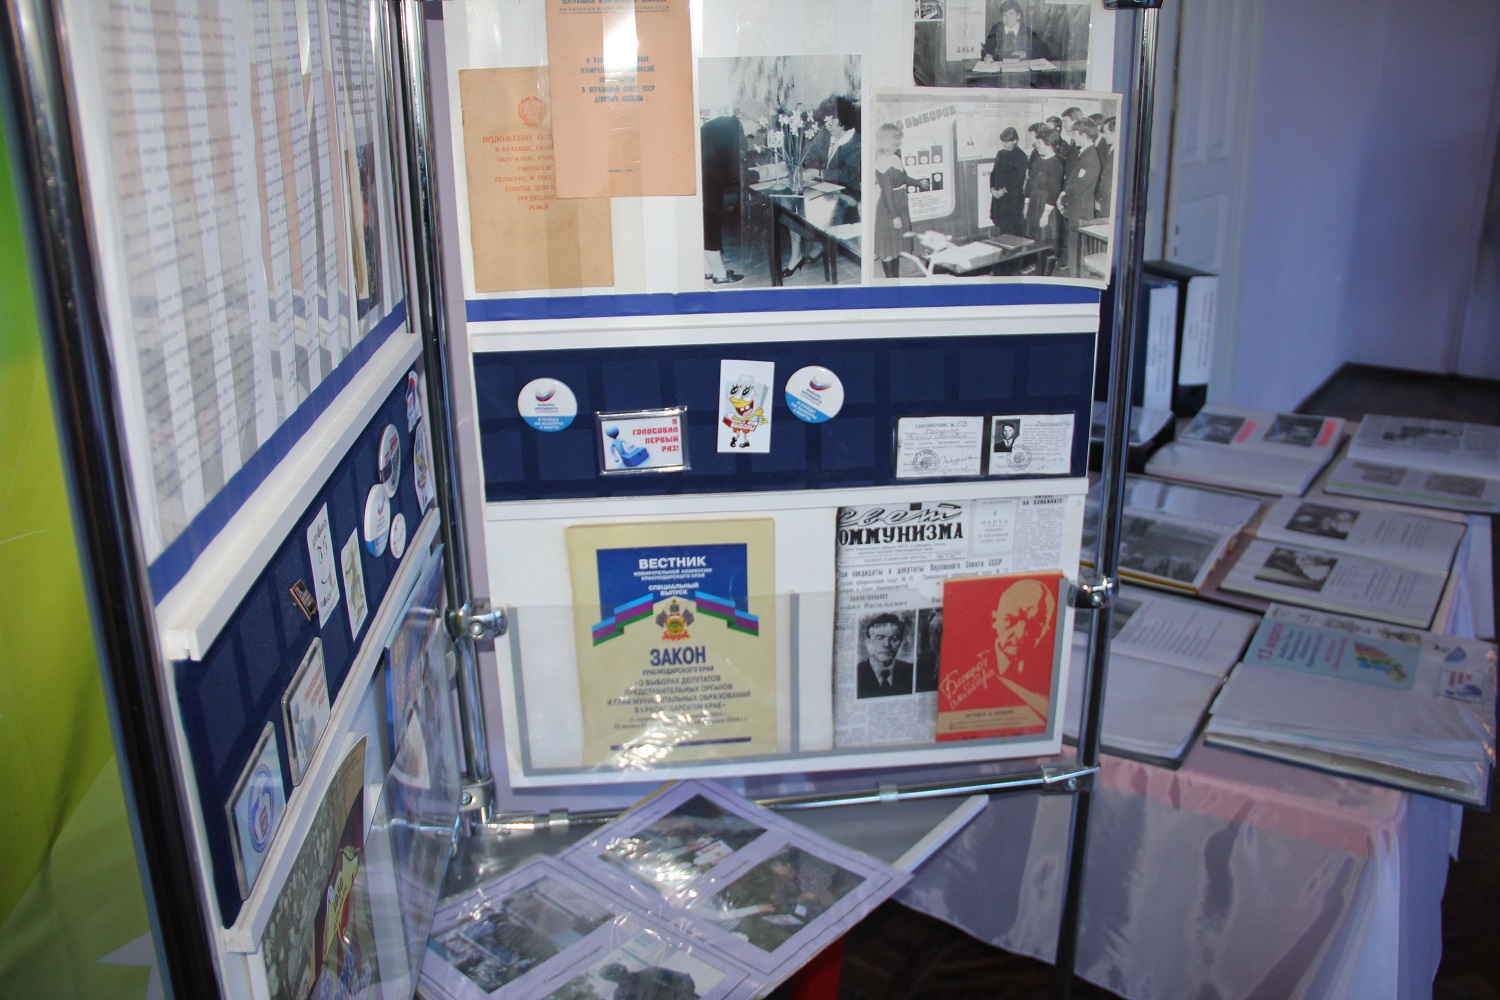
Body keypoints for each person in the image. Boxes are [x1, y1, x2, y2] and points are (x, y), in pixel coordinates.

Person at [784, 97, 861, 278]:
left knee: (809, 207)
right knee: (790, 203)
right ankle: (796, 254)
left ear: (843, 121)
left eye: (831, 120)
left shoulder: (856, 142)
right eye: (825, 120)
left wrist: (818, 173)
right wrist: (802, 164)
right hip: (824, 188)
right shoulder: (826, 134)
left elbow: (849, 174)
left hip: (848, 193)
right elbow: (807, 157)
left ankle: (818, 243)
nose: (826, 125)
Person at [700, 115, 746, 285]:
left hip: (699, 173)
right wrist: (760, 174)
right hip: (707, 178)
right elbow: (736, 171)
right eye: (758, 126)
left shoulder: (725, 123)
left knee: (704, 223)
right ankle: (719, 274)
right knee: (710, 224)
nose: (755, 132)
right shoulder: (735, 130)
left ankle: (707, 269)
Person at [1057, 117, 1101, 274]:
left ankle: (1078, 279)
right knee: (1074, 250)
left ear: (1084, 135)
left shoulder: (1089, 158)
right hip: (1076, 210)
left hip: (1079, 212)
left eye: (1074, 134)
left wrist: (1063, 202)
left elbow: (1077, 188)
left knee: (1077, 253)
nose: (1073, 138)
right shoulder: (1084, 154)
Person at [873, 122, 914, 279]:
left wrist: (919, 182)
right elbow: (887, 194)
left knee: (895, 247)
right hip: (889, 210)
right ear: (886, 141)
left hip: (899, 205)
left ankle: (894, 279)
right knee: (888, 249)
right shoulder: (882, 161)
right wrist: (894, 216)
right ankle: (890, 281)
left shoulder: (895, 158)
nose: (898, 145)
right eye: (895, 142)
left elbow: (904, 178)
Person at [1024, 129, 1064, 273]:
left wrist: (1045, 214)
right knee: (1034, 239)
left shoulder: (1056, 164)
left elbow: (1054, 192)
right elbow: (1029, 184)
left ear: (1049, 144)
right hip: (1034, 204)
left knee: (1046, 242)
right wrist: (1026, 204)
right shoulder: (1038, 160)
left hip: (1047, 207)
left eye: (1039, 142)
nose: (1037, 145)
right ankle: (1036, 269)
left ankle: (1044, 274)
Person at [856, 613, 914, 697]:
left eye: (894, 638)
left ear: (900, 642)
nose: (887, 644)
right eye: (880, 638)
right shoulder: (857, 673)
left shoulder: (911, 671)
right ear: (867, 643)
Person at [980, 0, 1052, 63]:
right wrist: (987, 57)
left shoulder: (1026, 31)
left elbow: (1045, 52)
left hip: (1021, 71)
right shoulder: (996, 29)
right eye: (1005, 15)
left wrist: (1026, 54)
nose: (1008, 18)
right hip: (1001, 71)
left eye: (1011, 14)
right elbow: (986, 50)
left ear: (1018, 15)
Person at [988, 127, 1028, 236]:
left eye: (1006, 142)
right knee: (1002, 228)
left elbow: (1018, 179)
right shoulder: (1001, 154)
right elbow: (993, 173)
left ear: (1014, 141)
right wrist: (993, 189)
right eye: (1002, 142)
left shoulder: (1021, 156)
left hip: (1012, 199)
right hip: (999, 197)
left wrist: (1003, 191)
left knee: (1013, 229)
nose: (1004, 144)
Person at [598, 962, 698, 1000]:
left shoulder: (651, 973)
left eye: (626, 974)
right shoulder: (620, 997)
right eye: (623, 979)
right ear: (616, 981)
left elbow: (683, 978)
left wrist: (686, 993)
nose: (628, 979)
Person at [1095, 116, 1117, 217]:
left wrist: (1100, 200)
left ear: (1115, 133)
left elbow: (1109, 181)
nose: (1103, 136)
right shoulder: (1111, 150)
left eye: (1106, 132)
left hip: (1108, 204)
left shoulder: (1119, 153)